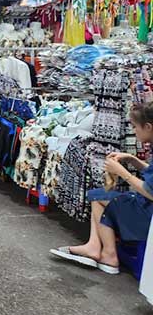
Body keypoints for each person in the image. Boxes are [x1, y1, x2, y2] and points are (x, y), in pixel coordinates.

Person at [50, 103, 153, 274]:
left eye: (135, 127)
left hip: (148, 216)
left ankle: (108, 254)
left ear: (148, 127)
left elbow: (150, 192)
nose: (134, 131)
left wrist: (122, 172)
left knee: (98, 197)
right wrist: (131, 159)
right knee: (102, 196)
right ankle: (96, 247)